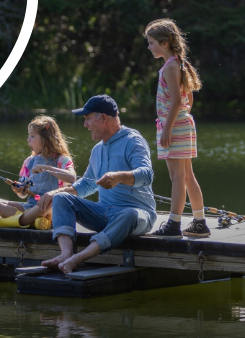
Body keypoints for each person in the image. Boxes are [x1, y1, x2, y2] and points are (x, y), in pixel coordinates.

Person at [40, 95, 157, 274]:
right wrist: (57, 192)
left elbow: (147, 174)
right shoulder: (97, 150)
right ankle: (66, 254)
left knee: (129, 214)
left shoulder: (133, 141)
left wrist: (119, 177)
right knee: (62, 198)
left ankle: (79, 258)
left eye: (87, 118)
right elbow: (87, 184)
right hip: (103, 213)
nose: (85, 125)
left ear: (103, 118)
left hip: (136, 216)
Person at [144, 18, 209, 238]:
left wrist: (167, 130)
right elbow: (187, 98)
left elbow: (177, 102)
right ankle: (200, 222)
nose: (149, 47)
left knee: (177, 178)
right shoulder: (179, 63)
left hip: (175, 127)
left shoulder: (170, 67)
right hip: (183, 125)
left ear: (164, 42)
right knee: (187, 176)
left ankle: (173, 225)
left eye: (151, 42)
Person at [0, 115, 76, 229]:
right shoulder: (29, 162)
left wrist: (47, 168)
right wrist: (19, 189)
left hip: (52, 208)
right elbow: (22, 194)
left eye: (32, 136)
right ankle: (34, 222)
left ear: (45, 139)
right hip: (30, 206)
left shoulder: (62, 160)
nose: (28, 140)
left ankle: (11, 222)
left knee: (45, 206)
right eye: (29, 136)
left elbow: (72, 178)